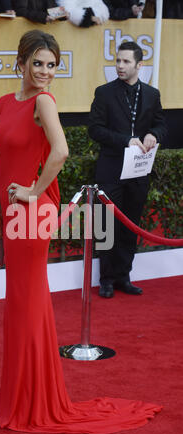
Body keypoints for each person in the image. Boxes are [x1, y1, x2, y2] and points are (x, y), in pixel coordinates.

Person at [0, 30, 161, 433]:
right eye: (38, 63)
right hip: (12, 212)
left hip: (31, 212)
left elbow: (60, 151)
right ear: (22, 61)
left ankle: (33, 401)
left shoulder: (43, 102)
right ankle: (24, 394)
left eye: (51, 65)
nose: (45, 72)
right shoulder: (6, 102)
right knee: (20, 303)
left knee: (26, 303)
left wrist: (31, 191)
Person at [89, 41, 167, 299]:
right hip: (110, 169)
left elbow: (161, 125)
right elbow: (95, 130)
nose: (120, 66)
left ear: (139, 65)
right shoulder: (104, 93)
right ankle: (106, 279)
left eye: (126, 62)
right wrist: (125, 139)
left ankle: (124, 276)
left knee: (131, 225)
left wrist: (153, 135)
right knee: (107, 225)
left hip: (139, 172)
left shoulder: (152, 95)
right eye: (118, 61)